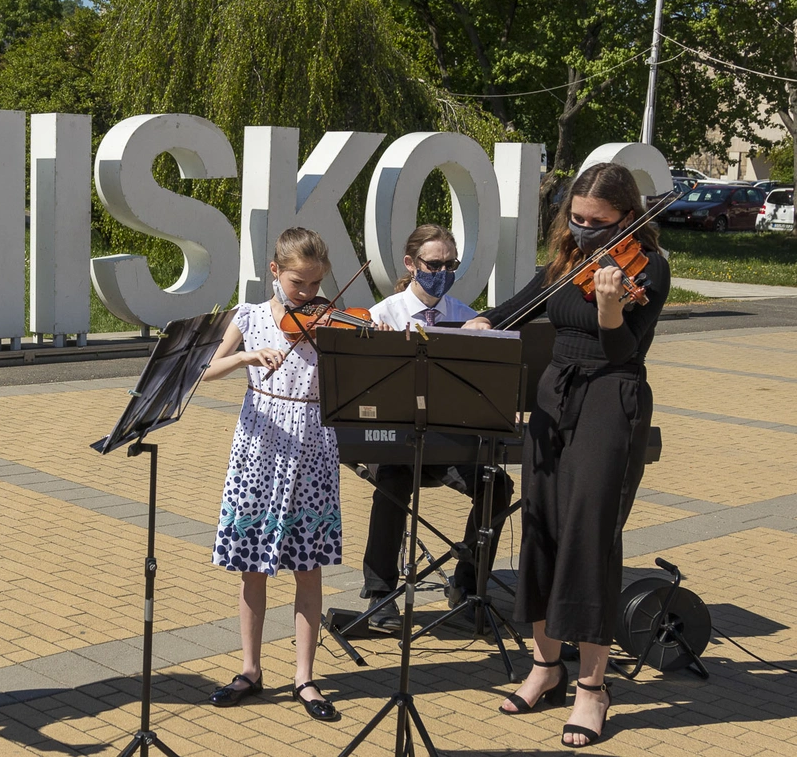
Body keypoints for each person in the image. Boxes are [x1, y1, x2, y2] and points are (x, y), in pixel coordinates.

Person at [464, 162, 668, 748]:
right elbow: (519, 307)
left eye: (596, 222)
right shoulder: (565, 260)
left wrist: (609, 310)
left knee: (589, 537)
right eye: (576, 218)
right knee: (542, 528)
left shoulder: (649, 268)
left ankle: (593, 688)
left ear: (627, 218)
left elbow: (624, 349)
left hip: (611, 398)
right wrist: (480, 323)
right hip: (554, 397)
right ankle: (545, 667)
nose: (583, 229)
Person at [204, 227, 343, 722]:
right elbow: (206, 369)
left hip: (312, 443)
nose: (307, 294)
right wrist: (245, 355)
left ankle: (305, 677)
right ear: (274, 271)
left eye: (315, 284)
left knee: (309, 567)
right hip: (260, 445)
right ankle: (250, 669)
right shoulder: (249, 315)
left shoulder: (330, 321)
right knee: (252, 565)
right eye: (297, 283)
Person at [357, 224, 515, 631]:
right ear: (411, 264)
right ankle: (380, 593)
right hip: (395, 439)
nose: (442, 273)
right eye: (433, 265)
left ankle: (467, 584)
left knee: (497, 485)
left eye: (450, 265)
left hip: (448, 440)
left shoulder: (467, 317)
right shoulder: (382, 315)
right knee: (391, 481)